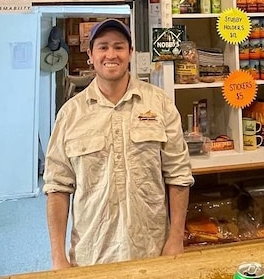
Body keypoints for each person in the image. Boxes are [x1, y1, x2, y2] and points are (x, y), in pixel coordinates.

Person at [43, 19, 193, 268]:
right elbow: (57, 187)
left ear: (130, 52)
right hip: (92, 254)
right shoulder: (71, 114)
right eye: (102, 47)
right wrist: (57, 255)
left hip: (151, 249)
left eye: (119, 46)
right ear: (90, 54)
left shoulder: (160, 104)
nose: (111, 54)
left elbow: (179, 174)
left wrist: (176, 237)